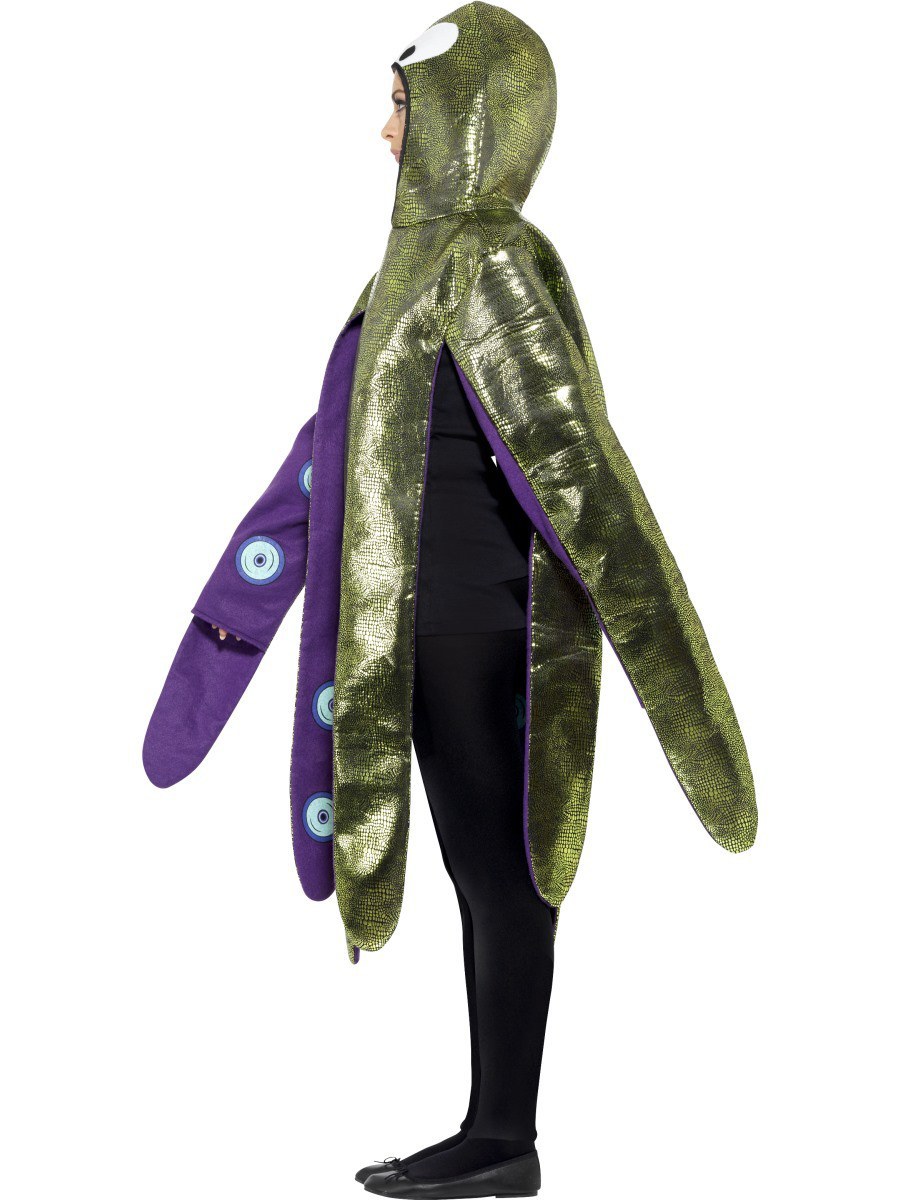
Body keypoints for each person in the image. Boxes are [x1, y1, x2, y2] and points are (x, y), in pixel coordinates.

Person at [144, 6, 756, 1197]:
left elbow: (580, 472)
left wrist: (673, 671)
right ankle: (490, 1130)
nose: (384, 131)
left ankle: (503, 1139)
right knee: (485, 877)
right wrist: (232, 619)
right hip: (424, 629)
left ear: (465, 119)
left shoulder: (487, 263)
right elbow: (329, 460)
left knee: (498, 876)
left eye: (402, 105)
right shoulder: (415, 268)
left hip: (472, 630)